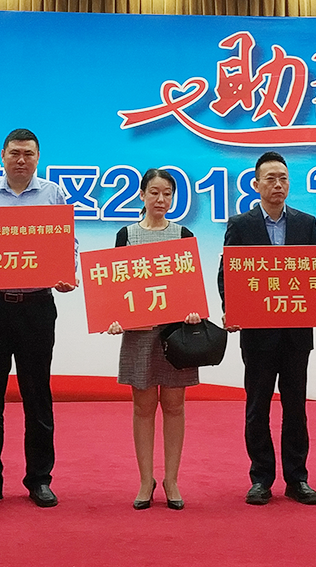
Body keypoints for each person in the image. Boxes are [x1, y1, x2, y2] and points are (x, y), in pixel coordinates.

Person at [0, 129, 77, 509]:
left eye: (28, 154)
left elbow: (67, 242)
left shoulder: (53, 194)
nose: (21, 160)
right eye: (15, 153)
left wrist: (67, 272)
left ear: (38, 158)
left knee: (37, 395)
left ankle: (39, 479)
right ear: (2, 156)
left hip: (36, 306)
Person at [217, 151, 316, 507]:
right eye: (270, 178)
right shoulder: (241, 224)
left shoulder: (306, 223)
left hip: (296, 333)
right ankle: (261, 478)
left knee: (295, 407)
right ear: (256, 184)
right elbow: (227, 274)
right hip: (258, 333)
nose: (277, 184)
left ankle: (297, 478)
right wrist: (231, 310)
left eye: (283, 178)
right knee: (258, 406)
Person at [106, 168, 201, 511]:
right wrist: (114, 317)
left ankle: (171, 479)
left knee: (175, 406)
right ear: (142, 195)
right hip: (139, 334)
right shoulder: (127, 235)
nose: (161, 199)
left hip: (175, 335)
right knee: (143, 407)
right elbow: (116, 286)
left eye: (167, 194)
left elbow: (191, 286)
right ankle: (146, 480)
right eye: (155, 193)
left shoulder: (183, 234)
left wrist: (193, 310)